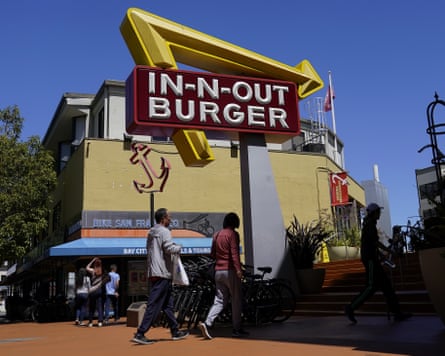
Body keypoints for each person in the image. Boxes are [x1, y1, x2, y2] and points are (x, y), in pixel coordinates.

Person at [344, 203, 412, 324]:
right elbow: (374, 243)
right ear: (374, 213)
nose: (379, 214)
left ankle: (397, 313)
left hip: (373, 258)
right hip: (370, 260)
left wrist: (381, 256)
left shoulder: (369, 225)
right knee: (371, 286)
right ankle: (350, 307)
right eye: (378, 212)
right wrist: (390, 251)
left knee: (386, 287)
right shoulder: (370, 225)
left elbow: (371, 244)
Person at [132, 208, 189, 345]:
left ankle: (175, 331)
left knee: (168, 305)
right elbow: (169, 248)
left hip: (154, 271)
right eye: (169, 217)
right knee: (153, 304)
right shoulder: (165, 232)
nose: (170, 219)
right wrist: (179, 247)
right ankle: (141, 332)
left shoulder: (151, 232)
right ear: (163, 218)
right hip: (163, 272)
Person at [198, 212, 248, 339]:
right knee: (236, 300)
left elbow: (212, 254)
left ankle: (207, 322)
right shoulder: (233, 234)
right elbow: (234, 253)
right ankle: (237, 328)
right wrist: (238, 269)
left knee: (219, 300)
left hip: (218, 271)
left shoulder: (217, 234)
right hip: (230, 270)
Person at [86, 257, 109, 327]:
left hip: (93, 291)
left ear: (95, 264)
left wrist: (92, 260)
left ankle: (90, 322)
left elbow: (87, 267)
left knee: (92, 307)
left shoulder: (93, 271)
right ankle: (100, 322)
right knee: (100, 307)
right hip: (100, 291)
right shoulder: (103, 271)